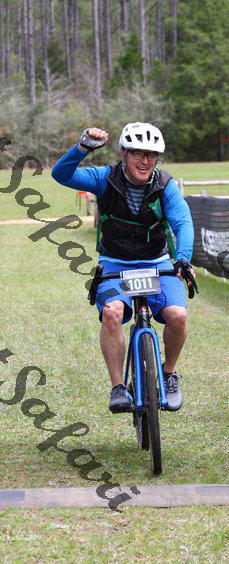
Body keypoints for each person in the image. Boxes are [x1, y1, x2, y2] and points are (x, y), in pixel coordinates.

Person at [52, 123, 195, 412]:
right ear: (123, 154)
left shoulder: (165, 185)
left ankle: (169, 374)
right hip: (115, 262)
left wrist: (182, 258)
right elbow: (61, 174)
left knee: (178, 316)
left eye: (151, 155)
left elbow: (183, 223)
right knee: (112, 313)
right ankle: (118, 386)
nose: (145, 161)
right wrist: (83, 148)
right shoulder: (104, 178)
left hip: (157, 262)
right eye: (138, 153)